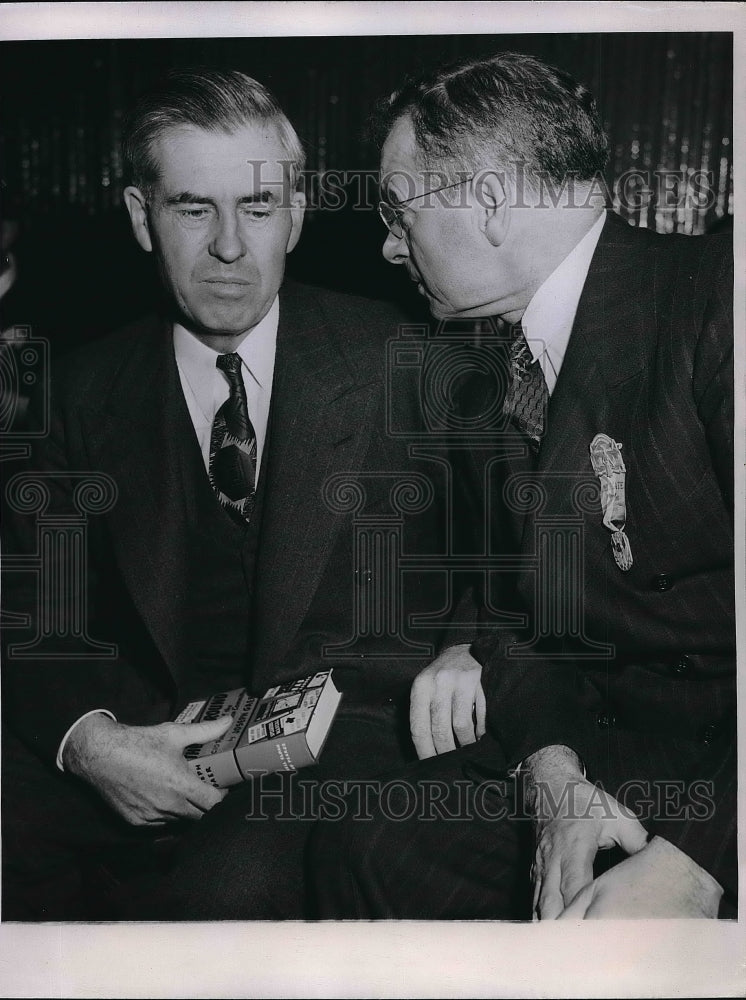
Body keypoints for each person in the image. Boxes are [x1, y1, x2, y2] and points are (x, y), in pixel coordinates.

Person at [0, 68, 461, 920]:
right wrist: (91, 741)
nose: (228, 247)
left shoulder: (406, 360)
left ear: (297, 215)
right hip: (139, 742)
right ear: (141, 218)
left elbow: (510, 558)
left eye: (256, 208)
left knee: (222, 894)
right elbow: (33, 610)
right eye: (191, 209)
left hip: (338, 758)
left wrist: (467, 651)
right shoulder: (79, 393)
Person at [312, 51, 736, 920]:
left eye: (399, 213)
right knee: (366, 843)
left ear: (491, 203)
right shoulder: (488, 361)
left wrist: (698, 864)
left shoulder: (718, 300)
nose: (388, 246)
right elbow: (522, 616)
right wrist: (553, 775)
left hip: (724, 779)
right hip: (611, 758)